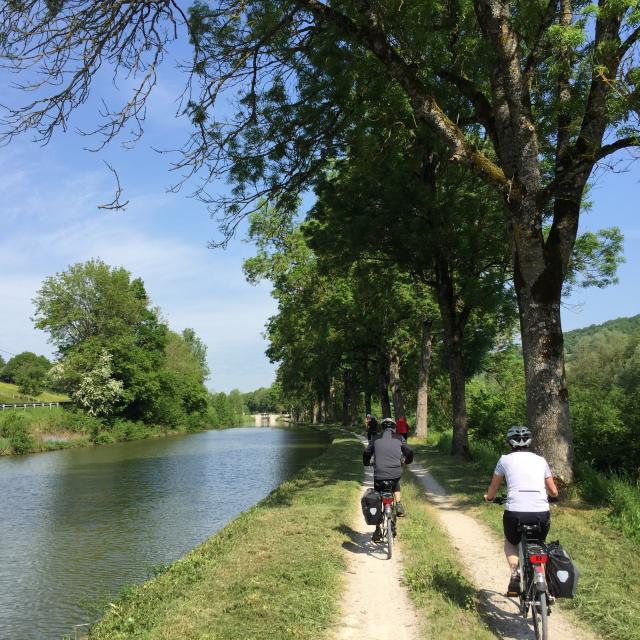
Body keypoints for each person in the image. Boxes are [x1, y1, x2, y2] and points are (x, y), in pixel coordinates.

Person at [484, 425, 558, 595]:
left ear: (510, 442)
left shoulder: (504, 460)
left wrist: (489, 498)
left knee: (511, 542)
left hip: (515, 512)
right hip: (541, 513)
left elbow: (494, 487)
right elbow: (553, 491)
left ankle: (515, 573)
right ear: (529, 442)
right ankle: (544, 585)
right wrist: (552, 497)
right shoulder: (541, 460)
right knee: (539, 543)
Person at [363, 417, 414, 542]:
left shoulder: (375, 438)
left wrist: (366, 462)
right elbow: (409, 452)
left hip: (379, 475)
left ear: (382, 428)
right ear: (393, 427)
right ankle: (399, 505)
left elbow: (366, 452)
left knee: (378, 497)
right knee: (395, 481)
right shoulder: (399, 438)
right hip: (395, 474)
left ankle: (377, 531)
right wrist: (407, 461)